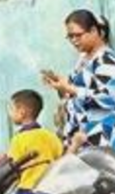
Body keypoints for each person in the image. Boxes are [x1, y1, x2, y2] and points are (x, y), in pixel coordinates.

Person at [43, 9, 115, 149]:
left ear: (94, 31)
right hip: (82, 139)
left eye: (78, 35)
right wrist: (61, 86)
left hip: (101, 139)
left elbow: (110, 97)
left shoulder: (105, 60)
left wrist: (71, 88)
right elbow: (77, 94)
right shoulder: (84, 59)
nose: (74, 41)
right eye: (70, 37)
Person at [8, 89, 64, 190]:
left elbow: (13, 169)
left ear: (22, 112)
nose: (10, 113)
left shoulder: (18, 139)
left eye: (12, 109)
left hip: (27, 191)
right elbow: (61, 160)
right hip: (51, 190)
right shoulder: (50, 136)